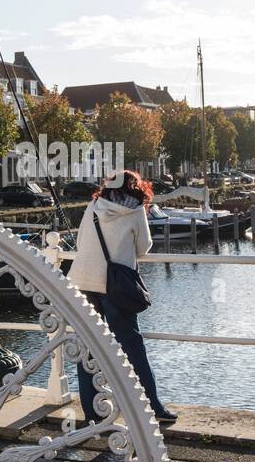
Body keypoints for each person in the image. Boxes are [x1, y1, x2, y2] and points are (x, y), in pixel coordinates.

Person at [67, 170, 176, 424]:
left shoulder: (94, 206)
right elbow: (143, 247)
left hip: (83, 280)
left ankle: (92, 413)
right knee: (132, 346)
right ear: (136, 187)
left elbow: (82, 241)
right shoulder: (136, 210)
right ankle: (152, 406)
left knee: (89, 347)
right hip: (115, 286)